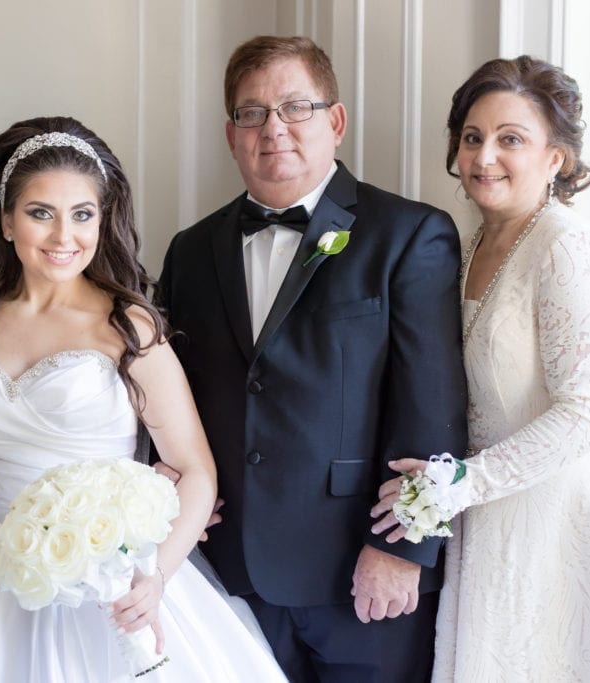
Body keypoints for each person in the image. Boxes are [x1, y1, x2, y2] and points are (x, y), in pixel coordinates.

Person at [0, 116, 288, 681]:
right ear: (5, 221)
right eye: (39, 213)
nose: (63, 236)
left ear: (103, 220)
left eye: (82, 215)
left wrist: (155, 579)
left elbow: (197, 471)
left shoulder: (126, 327)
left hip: (107, 584)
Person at [154, 35, 469, 682]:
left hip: (359, 570)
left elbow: (431, 409)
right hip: (226, 567)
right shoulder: (190, 250)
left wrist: (403, 546)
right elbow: (167, 395)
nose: (273, 129)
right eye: (252, 113)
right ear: (230, 133)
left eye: (295, 107)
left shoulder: (410, 235)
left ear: (336, 121)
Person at [370, 55, 590, 681]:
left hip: (562, 521)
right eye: (472, 138)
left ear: (555, 159)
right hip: (491, 522)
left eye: (511, 140)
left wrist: (464, 483)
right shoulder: (469, 241)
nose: (483, 158)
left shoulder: (571, 249)